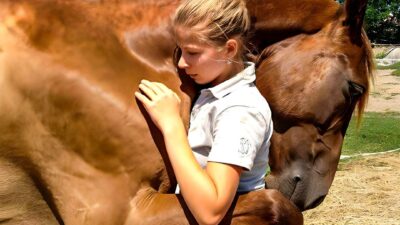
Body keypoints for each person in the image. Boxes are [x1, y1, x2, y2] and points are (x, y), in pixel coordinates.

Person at [134, 0, 273, 224]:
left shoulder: (240, 110)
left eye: (192, 53)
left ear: (229, 49)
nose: (181, 63)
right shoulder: (213, 91)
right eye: (180, 51)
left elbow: (211, 211)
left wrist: (171, 125)